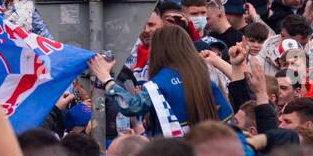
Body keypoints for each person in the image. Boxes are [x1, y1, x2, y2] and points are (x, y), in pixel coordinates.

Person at [88, 25, 232, 136]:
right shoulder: (203, 76)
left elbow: (131, 106)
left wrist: (106, 78)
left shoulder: (158, 84)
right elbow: (226, 120)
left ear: (158, 50)